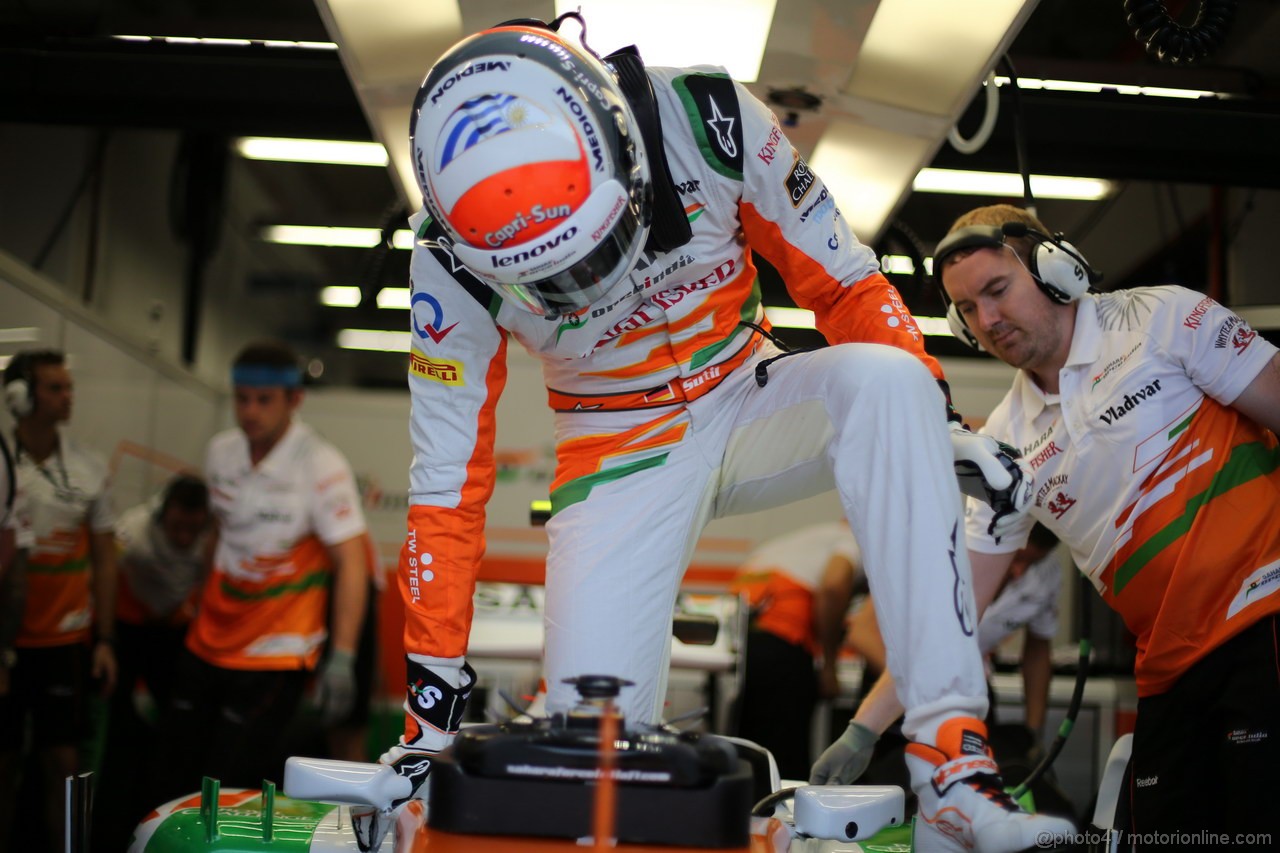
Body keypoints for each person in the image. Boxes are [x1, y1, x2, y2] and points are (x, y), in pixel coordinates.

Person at [380, 17, 1073, 852]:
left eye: (592, 251)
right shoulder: (443, 260)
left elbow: (847, 282)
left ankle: (954, 769)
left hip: (751, 391)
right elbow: (445, 483)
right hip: (617, 454)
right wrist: (430, 702)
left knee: (891, 383)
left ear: (619, 135)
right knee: (586, 752)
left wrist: (938, 424)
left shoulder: (706, 114)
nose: (588, 285)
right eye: (549, 280)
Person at [930, 203, 1280, 847]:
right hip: (1169, 671)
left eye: (997, 290)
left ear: (1052, 266)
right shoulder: (1004, 439)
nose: (988, 321)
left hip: (1263, 627)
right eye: (968, 309)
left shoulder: (1163, 318)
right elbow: (957, 610)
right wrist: (867, 727)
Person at [149, 341, 368, 801]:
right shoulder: (219, 452)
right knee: (171, 775)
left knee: (230, 785)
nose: (250, 411)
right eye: (242, 397)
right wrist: (193, 597)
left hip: (277, 650)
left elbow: (352, 560)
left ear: (295, 400)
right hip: (207, 639)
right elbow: (219, 535)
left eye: (264, 400)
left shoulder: (322, 465)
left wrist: (344, 656)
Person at [0, 349, 117, 852]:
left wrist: (105, 639)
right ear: (20, 396)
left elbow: (106, 561)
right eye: (55, 388)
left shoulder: (90, 468)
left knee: (63, 766)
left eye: (69, 387)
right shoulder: (2, 466)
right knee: (1, 764)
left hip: (65, 642)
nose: (68, 398)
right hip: (5, 643)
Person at [94, 473, 210, 849]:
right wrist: (104, 637)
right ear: (163, 516)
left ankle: (169, 808)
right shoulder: (135, 529)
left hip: (175, 631)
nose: (182, 537)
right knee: (121, 729)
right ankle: (110, 824)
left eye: (191, 529)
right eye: (177, 527)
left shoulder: (212, 538)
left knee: (178, 729)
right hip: (128, 627)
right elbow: (102, 571)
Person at [729, 520, 864, 780]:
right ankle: (784, 816)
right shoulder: (855, 541)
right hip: (783, 637)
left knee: (750, 747)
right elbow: (834, 586)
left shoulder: (809, 539)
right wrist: (828, 665)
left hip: (743, 631)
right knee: (783, 754)